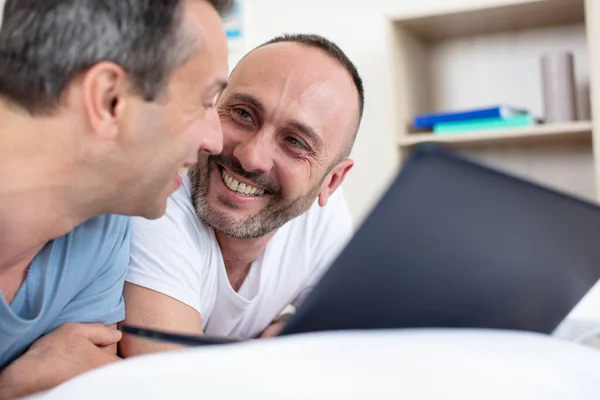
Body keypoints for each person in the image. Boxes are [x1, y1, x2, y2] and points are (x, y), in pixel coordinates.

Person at [0, 0, 231, 398]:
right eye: (205, 103)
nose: (216, 140)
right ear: (110, 99)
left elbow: (86, 381)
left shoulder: (103, 224)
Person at [120, 33, 365, 355]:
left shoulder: (324, 216)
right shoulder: (155, 204)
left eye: (295, 142)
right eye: (243, 114)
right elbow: (174, 381)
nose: (252, 157)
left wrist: (285, 330)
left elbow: (349, 349)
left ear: (330, 183)